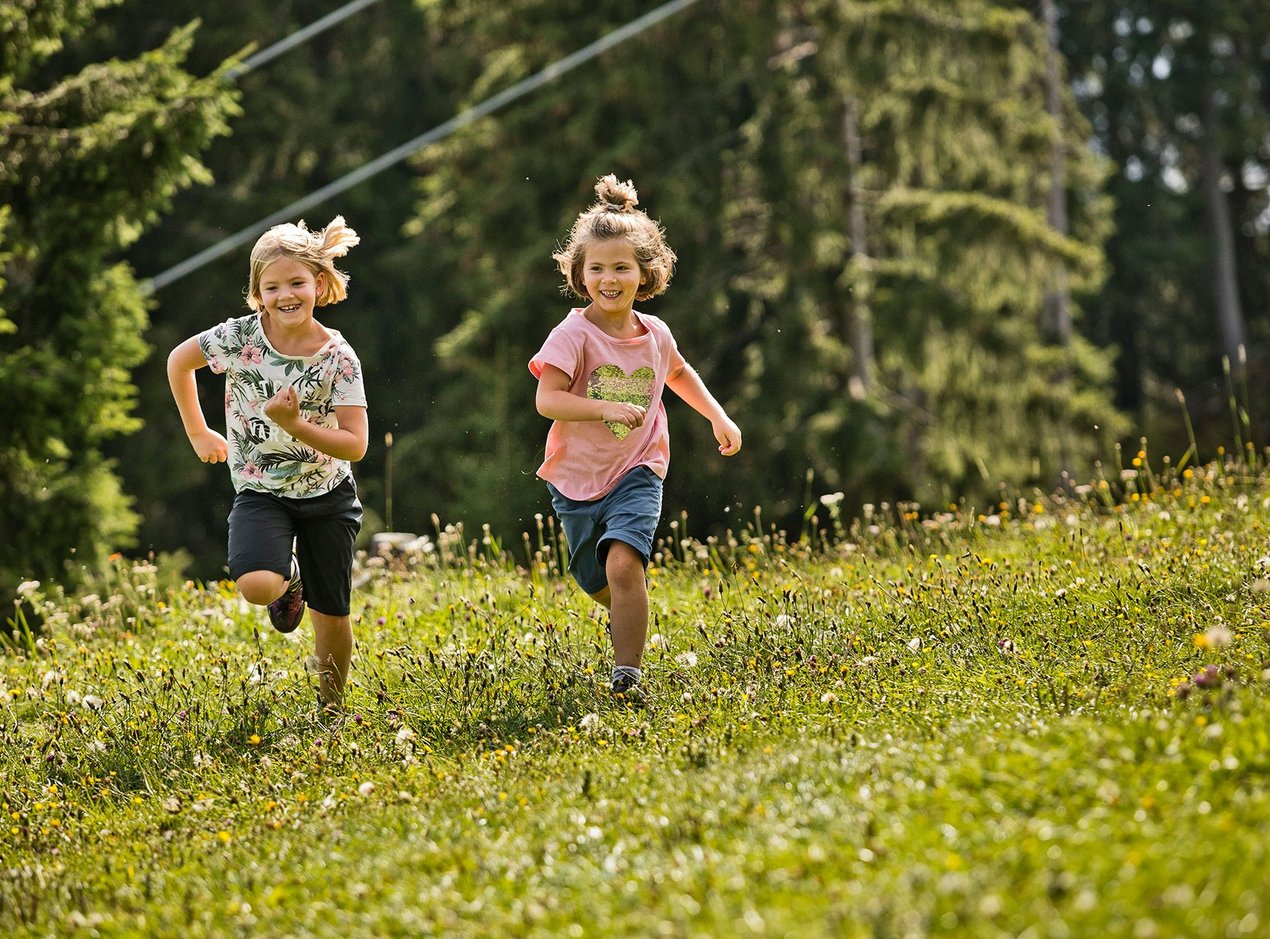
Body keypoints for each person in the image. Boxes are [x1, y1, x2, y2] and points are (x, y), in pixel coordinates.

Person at [530, 175, 742, 702]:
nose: (609, 278)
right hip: (577, 479)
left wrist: (718, 416)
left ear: (645, 273)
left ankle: (627, 677)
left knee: (625, 563)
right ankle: (633, 609)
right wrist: (602, 407)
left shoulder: (656, 333)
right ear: (579, 274)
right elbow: (547, 400)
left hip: (640, 467)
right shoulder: (572, 334)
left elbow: (678, 374)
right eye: (597, 268)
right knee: (595, 577)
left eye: (621, 267)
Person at [167, 217, 368, 710]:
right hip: (261, 489)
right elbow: (179, 361)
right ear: (257, 293)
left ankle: (332, 711)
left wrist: (297, 426)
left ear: (319, 283)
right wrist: (198, 430)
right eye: (272, 286)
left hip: (327, 496)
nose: (286, 295)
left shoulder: (338, 357)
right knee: (258, 586)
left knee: (331, 618)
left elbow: (356, 445)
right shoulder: (240, 338)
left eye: (297, 282)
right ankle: (287, 575)